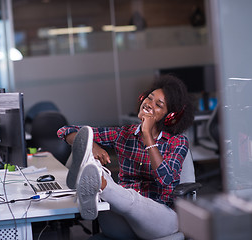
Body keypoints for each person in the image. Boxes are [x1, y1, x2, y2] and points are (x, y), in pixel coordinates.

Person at [57, 74, 194, 240]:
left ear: (170, 116)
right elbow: (65, 130)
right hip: (123, 217)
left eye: (158, 105)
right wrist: (92, 145)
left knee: (128, 196)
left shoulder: (178, 142)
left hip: (161, 219)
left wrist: (147, 135)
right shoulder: (124, 133)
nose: (149, 104)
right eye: (149, 98)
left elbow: (165, 179)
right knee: (94, 161)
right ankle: (94, 175)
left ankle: (99, 184)